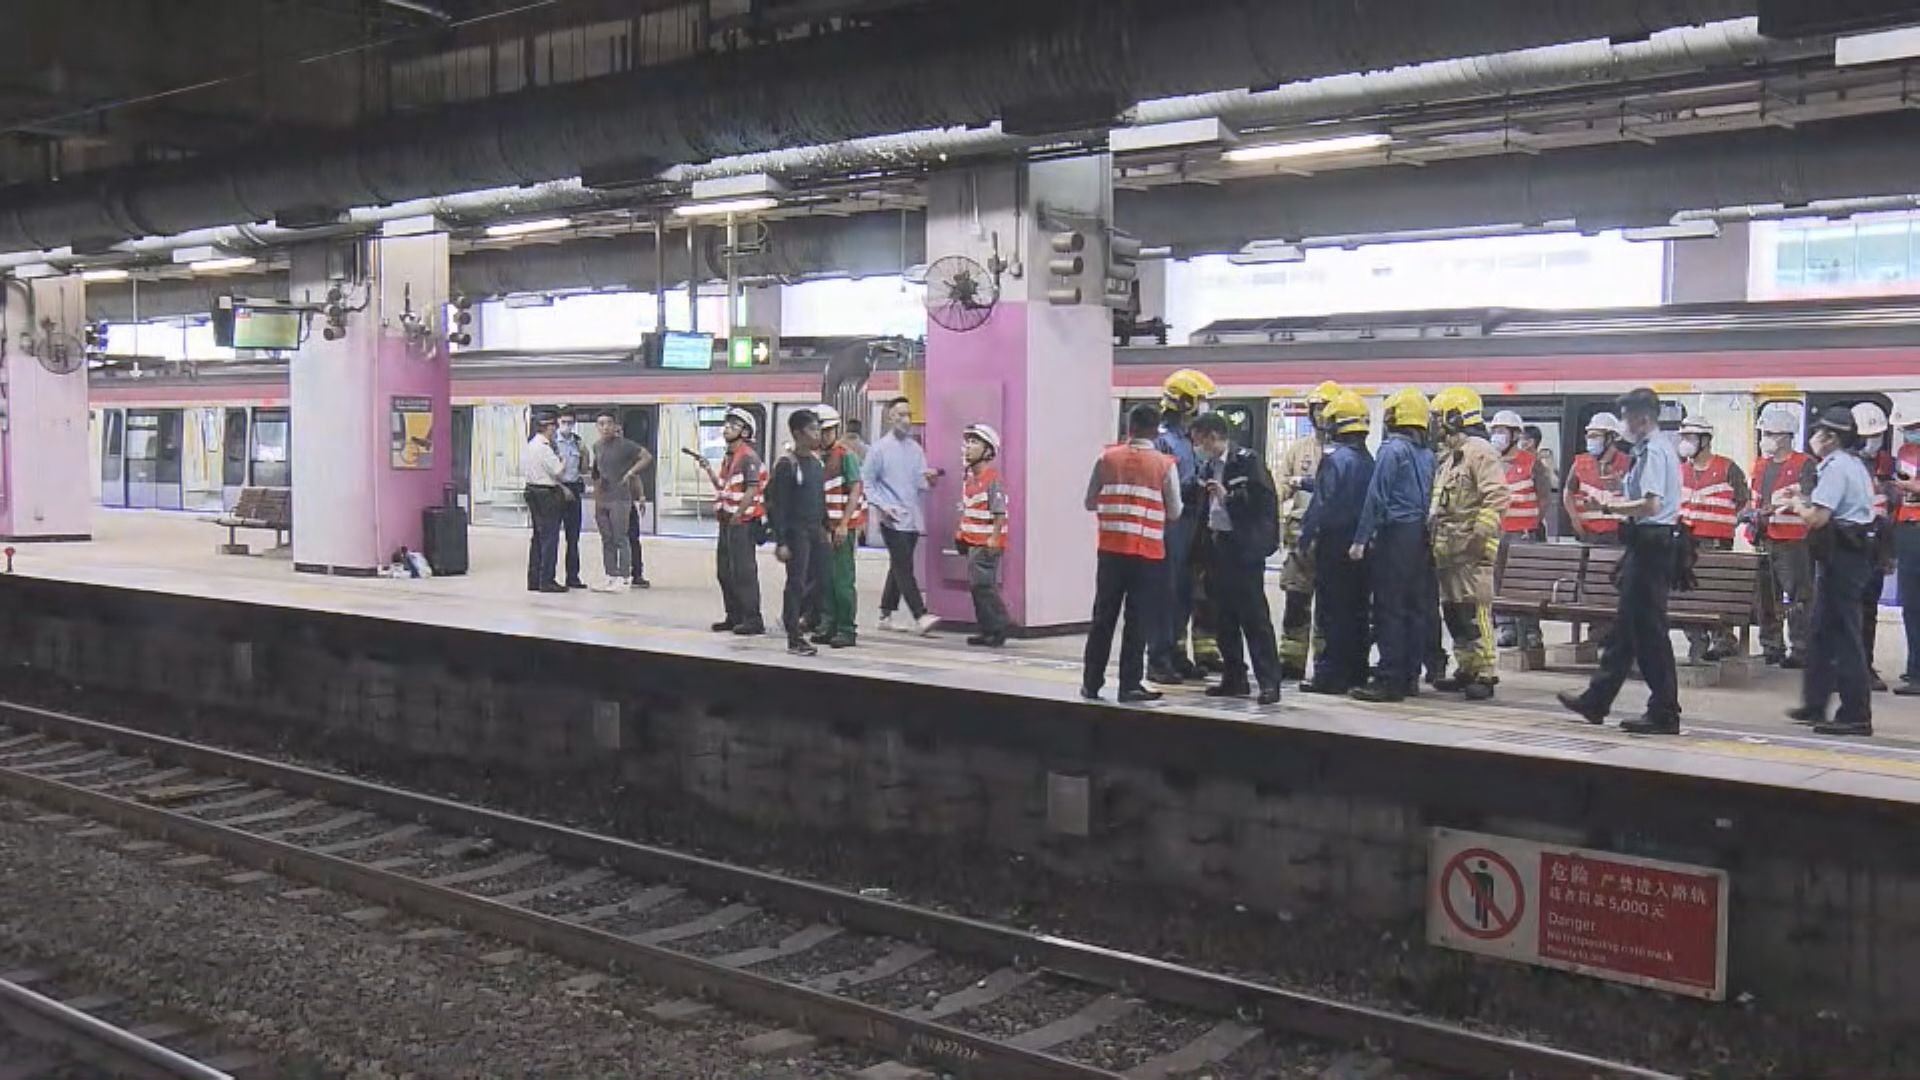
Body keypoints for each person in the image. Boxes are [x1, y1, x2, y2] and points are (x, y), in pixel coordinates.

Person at [1557, 388, 1684, 734]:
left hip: (1652, 545)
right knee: (1626, 629)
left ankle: (1665, 711)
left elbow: (1651, 505)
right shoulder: (1647, 450)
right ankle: (1597, 700)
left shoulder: (1655, 450)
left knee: (1650, 631)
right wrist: (1617, 489)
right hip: (1645, 545)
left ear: (1642, 417)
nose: (1624, 423)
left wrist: (1609, 507)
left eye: (1627, 416)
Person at [1786, 406, 1879, 736]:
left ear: (1830, 437)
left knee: (1845, 636)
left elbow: (1817, 519)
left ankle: (1856, 715)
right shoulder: (1852, 465)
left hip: (1844, 556)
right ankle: (1815, 703)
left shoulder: (1837, 467)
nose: (1814, 438)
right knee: (1821, 632)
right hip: (1848, 554)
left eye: (1819, 432)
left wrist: (1796, 505)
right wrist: (1805, 496)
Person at [1083, 402, 1183, 704]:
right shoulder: (1165, 465)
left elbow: (1089, 502)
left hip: (1110, 551)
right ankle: (1129, 686)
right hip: (1146, 554)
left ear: (1130, 428)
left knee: (1102, 617)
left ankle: (1091, 682)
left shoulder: (1106, 458)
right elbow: (1176, 511)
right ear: (1154, 431)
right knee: (1137, 621)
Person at [1349, 389, 1436, 703]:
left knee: (1389, 609)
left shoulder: (1391, 450)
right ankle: (1409, 676)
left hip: (1394, 535)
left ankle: (1388, 679)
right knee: (1414, 608)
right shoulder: (1427, 455)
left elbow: (1377, 496)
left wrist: (1360, 539)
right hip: (1418, 537)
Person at [1190, 411, 1283, 705]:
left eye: (1199, 441)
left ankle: (1269, 682)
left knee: (1254, 618)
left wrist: (1226, 496)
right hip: (1217, 548)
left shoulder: (1247, 461)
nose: (1198, 447)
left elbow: (1263, 504)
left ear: (1213, 436)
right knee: (1223, 617)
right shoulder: (1206, 467)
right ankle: (1234, 677)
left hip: (1243, 550)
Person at [1427, 388, 1509, 701]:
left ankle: (1486, 673)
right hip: (1450, 551)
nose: (1436, 424)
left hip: (1471, 551)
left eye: (1439, 417)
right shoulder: (1451, 457)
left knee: (1475, 611)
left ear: (1455, 416)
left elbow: (1497, 496)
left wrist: (1479, 536)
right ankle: (1467, 668)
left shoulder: (1480, 451)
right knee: (1454, 611)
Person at [1297, 390, 1375, 694]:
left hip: (1333, 544)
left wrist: (1305, 536)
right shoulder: (1369, 460)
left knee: (1331, 611)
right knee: (1357, 611)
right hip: (1361, 544)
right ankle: (1356, 671)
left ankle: (1329, 675)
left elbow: (1321, 503)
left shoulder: (1334, 460)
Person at [1149, 368, 1218, 684]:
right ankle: (1158, 659)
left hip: (1190, 527)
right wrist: (1192, 486)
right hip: (1169, 527)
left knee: (1184, 594)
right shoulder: (1162, 440)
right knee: (1164, 595)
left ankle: (1176, 654)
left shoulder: (1186, 440)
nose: (1204, 408)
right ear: (1185, 401)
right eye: (1200, 401)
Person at [1275, 380, 1341, 681]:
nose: (1320, 415)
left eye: (1325, 408)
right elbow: (1281, 484)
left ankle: (1325, 664)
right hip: (1299, 538)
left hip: (1331, 539)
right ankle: (1291, 662)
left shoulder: (1344, 450)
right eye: (1315, 409)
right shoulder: (1299, 449)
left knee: (1329, 607)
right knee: (1296, 603)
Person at [863, 397, 941, 635]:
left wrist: (929, 480)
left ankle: (885, 614)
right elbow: (867, 482)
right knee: (905, 567)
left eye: (908, 414)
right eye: (900, 415)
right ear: (890, 417)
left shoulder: (916, 449)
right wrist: (881, 505)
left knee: (898, 566)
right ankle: (921, 614)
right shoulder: (878, 450)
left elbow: (920, 484)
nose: (906, 420)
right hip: (891, 518)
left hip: (913, 518)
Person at [1747, 404, 1815, 668]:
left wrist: (1781, 504)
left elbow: (1808, 496)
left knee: (1799, 596)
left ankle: (1801, 649)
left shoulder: (1804, 464)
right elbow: (1756, 498)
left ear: (1785, 436)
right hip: (1764, 538)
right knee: (1766, 596)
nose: (1765, 439)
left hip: (1794, 540)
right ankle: (1771, 646)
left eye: (1769, 433)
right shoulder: (1761, 465)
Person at [1676, 417, 1749, 662]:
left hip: (1716, 542)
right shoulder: (1681, 471)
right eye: (1683, 437)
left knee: (1716, 593)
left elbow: (1744, 501)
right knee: (1687, 593)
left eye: (1690, 438)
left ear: (1705, 441)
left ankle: (1724, 641)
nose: (1684, 443)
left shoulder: (1728, 468)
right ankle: (1697, 639)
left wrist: (1729, 522)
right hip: (1686, 542)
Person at [696, 406, 766, 634]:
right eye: (726, 424)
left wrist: (738, 515)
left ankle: (753, 619)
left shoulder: (748, 457)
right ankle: (734, 616)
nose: (727, 428)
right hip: (728, 522)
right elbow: (724, 487)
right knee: (725, 571)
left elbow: (753, 489)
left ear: (745, 432)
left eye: (734, 425)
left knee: (743, 572)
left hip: (742, 524)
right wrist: (708, 469)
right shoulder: (730, 457)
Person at [767, 409, 827, 656]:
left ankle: (801, 619)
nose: (818, 435)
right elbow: (777, 504)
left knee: (822, 579)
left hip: (816, 530)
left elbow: (820, 499)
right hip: (796, 532)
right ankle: (794, 636)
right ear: (798, 434)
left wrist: (826, 527)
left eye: (818, 429)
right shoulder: (786, 465)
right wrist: (780, 540)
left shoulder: (816, 463)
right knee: (797, 583)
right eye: (813, 430)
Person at [1489, 410, 1551, 650]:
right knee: (1499, 583)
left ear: (1515, 435)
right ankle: (1506, 627)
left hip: (1524, 535)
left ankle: (1531, 630)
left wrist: (1531, 523)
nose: (1497, 436)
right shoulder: (1490, 462)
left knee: (1526, 584)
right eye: (1494, 431)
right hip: (1497, 533)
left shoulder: (1532, 463)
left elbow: (1544, 498)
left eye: (1502, 431)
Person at [1851, 402, 1897, 691]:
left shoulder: (1887, 464)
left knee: (1869, 611)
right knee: (1846, 611)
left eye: (1878, 435)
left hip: (1875, 545)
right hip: (1849, 545)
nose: (1874, 441)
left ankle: (1864, 665)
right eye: (1869, 435)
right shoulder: (1842, 464)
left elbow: (1891, 511)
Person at [955, 423, 1011, 648]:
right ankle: (987, 629)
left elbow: (1000, 511)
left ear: (988, 451)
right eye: (967, 442)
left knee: (983, 586)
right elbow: (969, 509)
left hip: (985, 542)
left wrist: (994, 538)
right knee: (977, 586)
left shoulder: (992, 479)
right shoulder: (970, 478)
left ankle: (998, 626)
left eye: (974, 442)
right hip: (972, 542)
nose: (968, 447)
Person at [815, 405, 865, 648]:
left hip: (841, 527)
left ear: (834, 429)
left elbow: (855, 489)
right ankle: (828, 624)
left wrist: (844, 524)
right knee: (824, 578)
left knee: (842, 580)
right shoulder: (815, 457)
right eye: (817, 431)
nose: (821, 436)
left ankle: (846, 629)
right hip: (823, 528)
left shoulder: (846, 456)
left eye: (825, 431)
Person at [589, 411, 648, 592]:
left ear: (615, 426)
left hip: (620, 499)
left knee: (621, 537)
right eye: (601, 424)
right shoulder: (597, 446)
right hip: (602, 499)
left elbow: (646, 457)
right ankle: (610, 575)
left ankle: (624, 577)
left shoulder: (626, 446)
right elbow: (597, 472)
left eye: (608, 423)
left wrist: (631, 473)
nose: (605, 427)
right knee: (606, 538)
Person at [520, 412, 569, 594]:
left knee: (538, 538)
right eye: (554, 427)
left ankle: (534, 579)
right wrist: (563, 460)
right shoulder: (544, 448)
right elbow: (558, 471)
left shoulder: (530, 445)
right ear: (549, 428)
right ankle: (547, 580)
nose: (555, 431)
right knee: (550, 537)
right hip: (546, 494)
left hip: (531, 491)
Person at [1564, 413, 1630, 545]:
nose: (1590, 440)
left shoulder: (1628, 463)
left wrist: (1622, 486)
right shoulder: (1580, 462)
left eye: (1595, 436)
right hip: (1588, 534)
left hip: (1618, 536)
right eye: (1588, 436)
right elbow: (1568, 491)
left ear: (1611, 438)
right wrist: (1574, 518)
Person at [1890, 406, 1920, 696]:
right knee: (1911, 606)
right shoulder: (1905, 453)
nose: (1909, 433)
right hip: (1908, 531)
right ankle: (1915, 669)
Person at [553, 412, 589, 589]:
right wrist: (561, 488)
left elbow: (583, 469)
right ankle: (548, 577)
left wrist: (585, 453)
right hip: (556, 488)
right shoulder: (551, 442)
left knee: (573, 537)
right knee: (551, 536)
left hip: (573, 489)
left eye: (570, 422)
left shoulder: (577, 441)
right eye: (564, 422)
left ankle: (573, 577)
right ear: (558, 422)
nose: (567, 425)